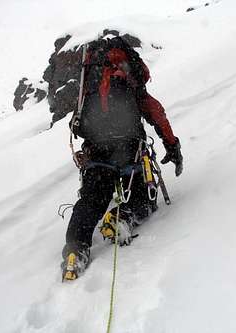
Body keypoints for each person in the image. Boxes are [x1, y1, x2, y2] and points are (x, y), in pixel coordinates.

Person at [61, 37, 183, 281]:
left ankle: (75, 249)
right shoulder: (131, 82)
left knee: (92, 200)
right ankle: (121, 217)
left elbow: (78, 121)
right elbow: (156, 114)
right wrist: (172, 146)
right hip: (130, 152)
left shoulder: (91, 84)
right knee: (143, 200)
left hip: (96, 152)